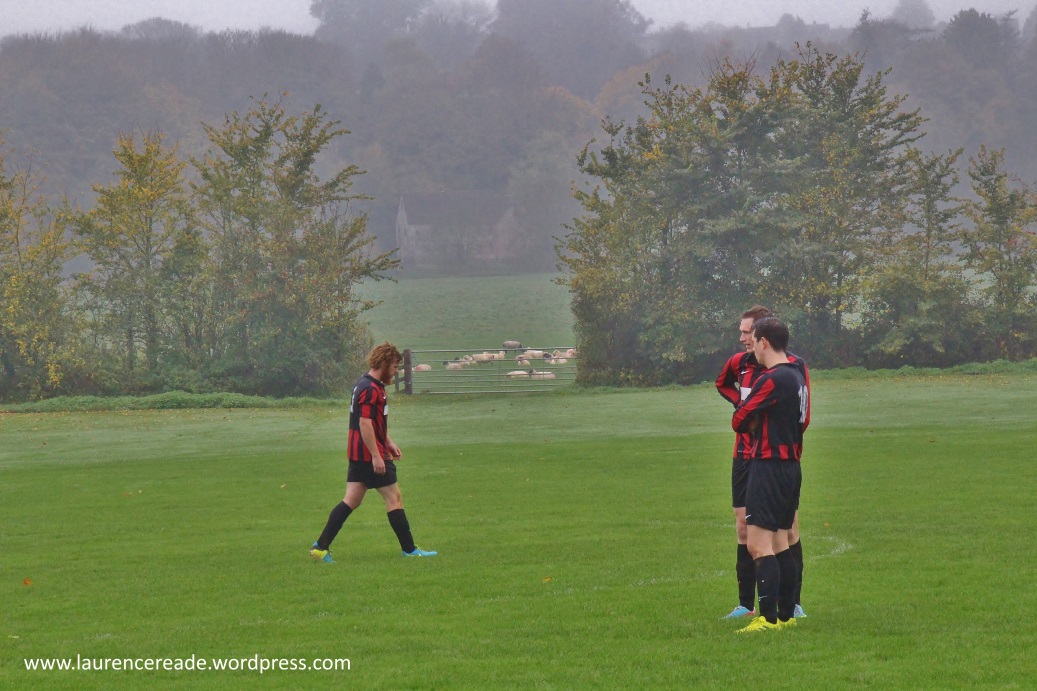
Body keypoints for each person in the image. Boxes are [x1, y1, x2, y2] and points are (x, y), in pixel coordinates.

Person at [716, 307, 808, 620]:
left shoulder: (776, 376)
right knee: (777, 539)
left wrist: (753, 420)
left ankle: (772, 617)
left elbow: (740, 419)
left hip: (769, 463)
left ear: (763, 339)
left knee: (764, 542)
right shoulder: (790, 374)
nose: (745, 341)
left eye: (749, 335)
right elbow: (725, 387)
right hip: (781, 462)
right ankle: (780, 614)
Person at [309, 341, 437, 562]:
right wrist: (377, 455)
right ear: (384, 363)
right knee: (394, 498)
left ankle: (321, 547)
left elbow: (375, 423)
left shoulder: (365, 384)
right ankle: (409, 550)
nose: (396, 372)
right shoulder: (370, 389)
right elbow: (365, 423)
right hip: (370, 455)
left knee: (351, 500)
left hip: (358, 454)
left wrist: (388, 442)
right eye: (394, 367)